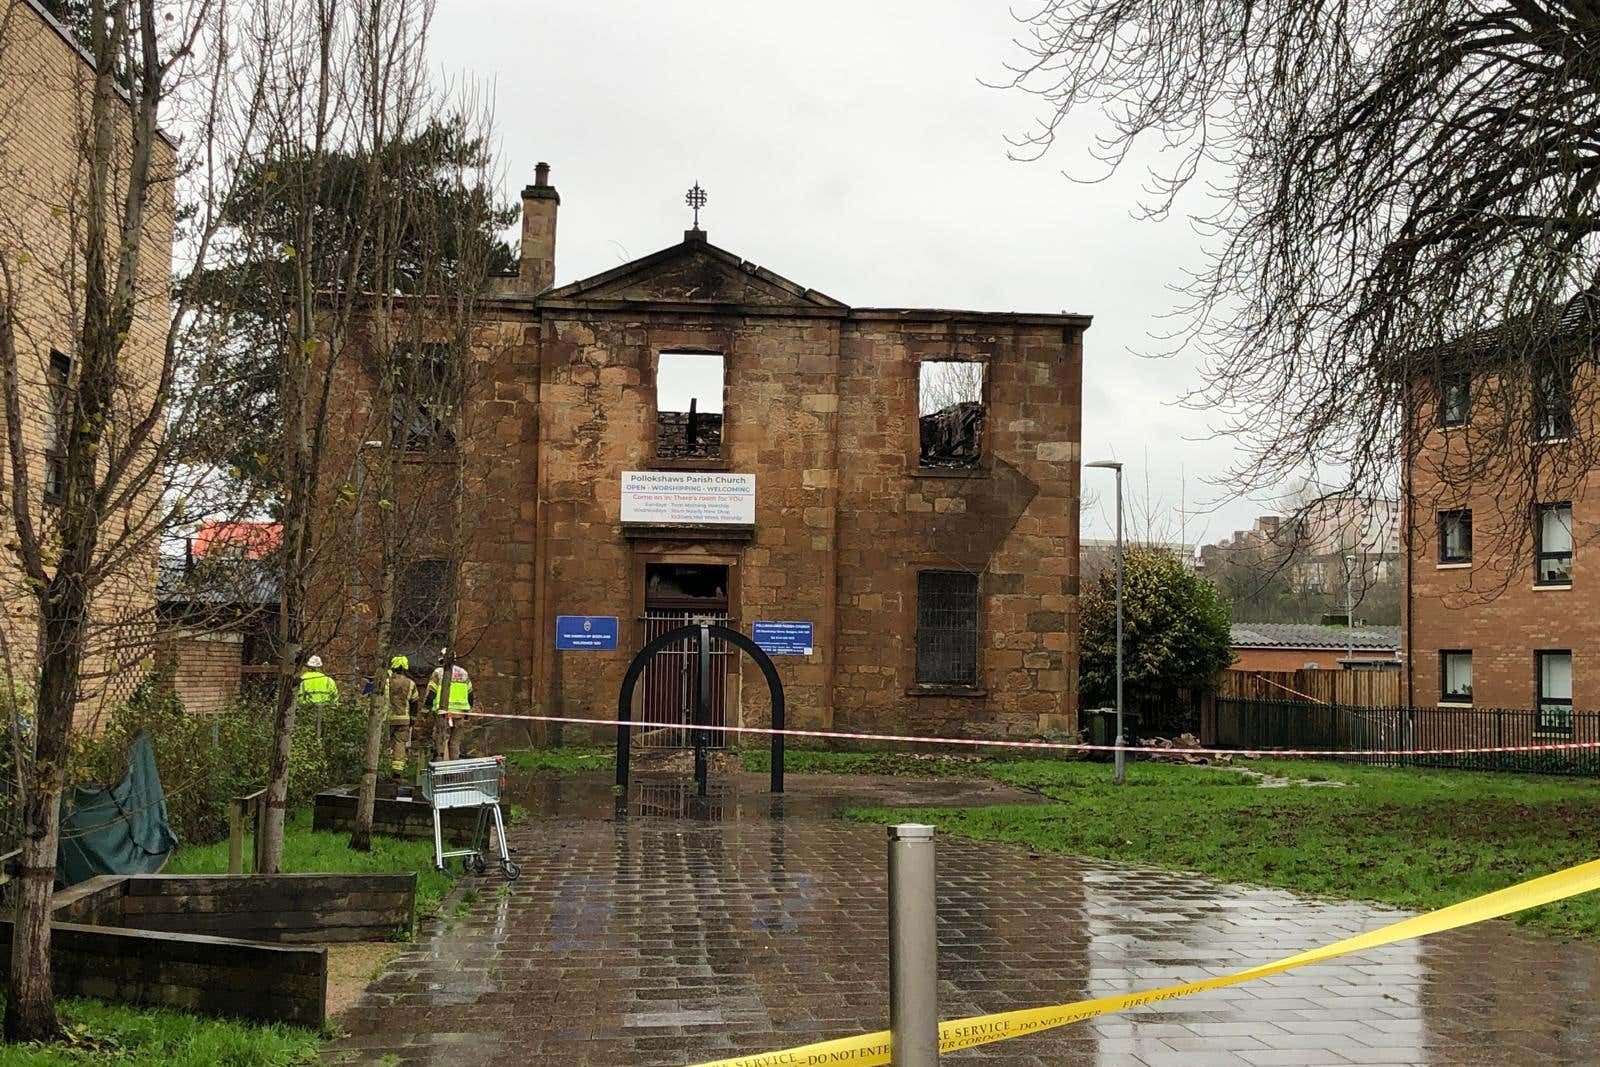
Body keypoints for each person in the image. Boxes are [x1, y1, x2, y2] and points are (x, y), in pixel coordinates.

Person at [426, 648, 472, 761]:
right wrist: (468, 710)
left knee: (440, 740)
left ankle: (439, 764)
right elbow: (470, 694)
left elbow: (431, 692)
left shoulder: (438, 672)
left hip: (443, 712)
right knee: (455, 743)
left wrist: (426, 709)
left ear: (441, 659)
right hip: (460, 713)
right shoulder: (463, 673)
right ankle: (454, 767)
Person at [385, 655, 418, 778]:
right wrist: (413, 719)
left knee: (385, 744)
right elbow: (415, 703)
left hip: (387, 718)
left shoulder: (387, 682)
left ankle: (382, 769)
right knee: (400, 745)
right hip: (404, 719)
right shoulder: (411, 683)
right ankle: (397, 773)